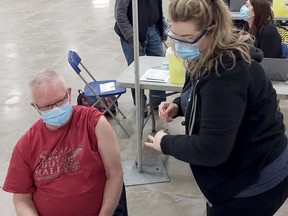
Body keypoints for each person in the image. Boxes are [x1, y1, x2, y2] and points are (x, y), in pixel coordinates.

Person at [145, 0, 288, 215]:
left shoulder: (227, 72)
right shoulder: (204, 54)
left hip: (256, 180)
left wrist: (165, 143)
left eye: (187, 39)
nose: (180, 46)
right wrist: (178, 106)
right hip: (242, 166)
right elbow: (206, 98)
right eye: (175, 37)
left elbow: (211, 149)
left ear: (211, 30)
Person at [2, 70, 125, 216]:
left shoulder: (94, 123)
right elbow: (21, 198)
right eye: (47, 106)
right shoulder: (26, 145)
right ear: (35, 106)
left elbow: (115, 174)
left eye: (60, 101)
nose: (56, 110)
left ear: (69, 93)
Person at [114, 0, 167, 116]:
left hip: (153, 29)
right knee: (136, 71)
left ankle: (157, 102)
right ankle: (141, 105)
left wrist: (162, 27)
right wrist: (131, 37)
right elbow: (120, 15)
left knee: (159, 67)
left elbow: (158, 7)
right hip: (133, 31)